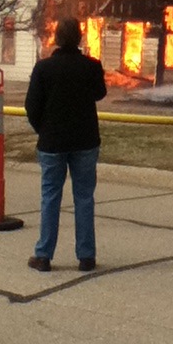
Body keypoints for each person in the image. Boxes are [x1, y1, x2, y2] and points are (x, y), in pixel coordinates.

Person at [25, 17, 107, 273]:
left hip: (52, 143)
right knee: (84, 198)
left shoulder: (43, 69)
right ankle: (86, 256)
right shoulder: (91, 67)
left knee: (50, 197)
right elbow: (100, 93)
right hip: (85, 141)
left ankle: (44, 255)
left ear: (56, 38)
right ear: (80, 38)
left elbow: (31, 106)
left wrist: (44, 129)